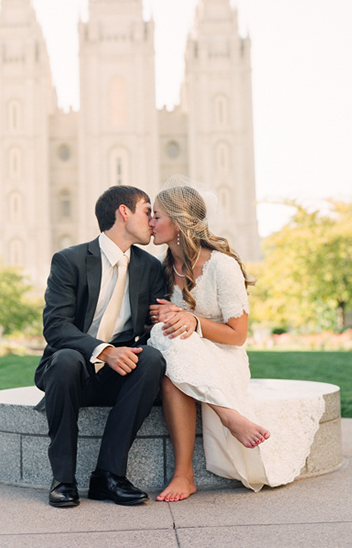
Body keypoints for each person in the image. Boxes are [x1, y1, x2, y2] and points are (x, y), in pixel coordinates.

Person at [148, 177, 325, 501]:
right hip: (183, 355)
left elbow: (238, 335)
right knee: (169, 362)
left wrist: (192, 320)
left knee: (172, 351)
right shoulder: (160, 269)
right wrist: (163, 315)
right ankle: (189, 468)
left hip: (224, 356)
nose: (150, 222)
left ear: (178, 220)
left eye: (156, 215)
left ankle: (219, 427)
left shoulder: (222, 266)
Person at [34, 185, 167, 508]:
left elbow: (153, 327)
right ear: (124, 212)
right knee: (65, 360)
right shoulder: (70, 260)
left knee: (150, 359)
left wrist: (172, 316)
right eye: (146, 211)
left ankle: (108, 476)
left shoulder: (149, 267)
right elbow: (56, 326)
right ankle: (63, 480)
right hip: (72, 371)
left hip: (117, 375)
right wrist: (104, 351)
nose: (151, 220)